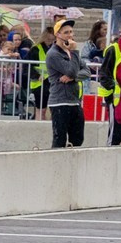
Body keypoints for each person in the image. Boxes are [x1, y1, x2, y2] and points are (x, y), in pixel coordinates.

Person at [41, 18, 86, 148]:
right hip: (60, 101)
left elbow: (86, 71)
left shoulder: (70, 52)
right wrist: (75, 52)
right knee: (59, 138)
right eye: (66, 32)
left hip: (74, 100)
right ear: (58, 35)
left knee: (77, 138)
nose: (70, 35)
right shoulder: (53, 54)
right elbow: (70, 70)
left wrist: (73, 78)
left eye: (71, 32)